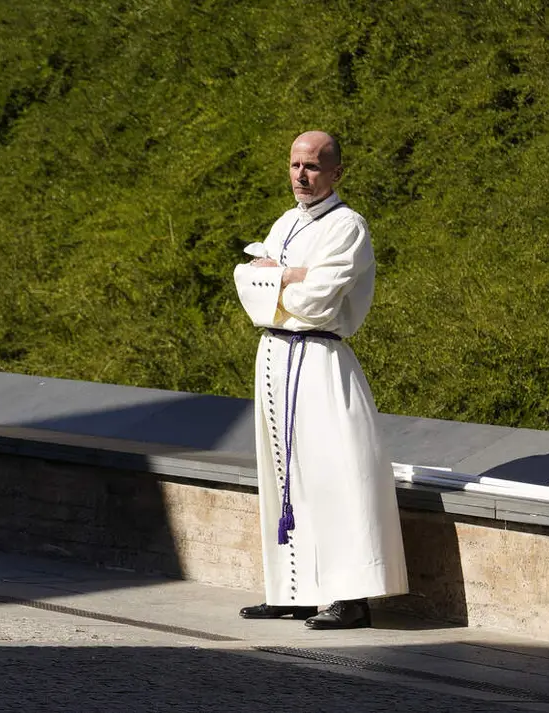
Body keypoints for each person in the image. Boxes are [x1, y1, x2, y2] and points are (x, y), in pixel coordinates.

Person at [232, 131, 408, 630]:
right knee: (286, 476)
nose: (301, 176)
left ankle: (350, 597)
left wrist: (275, 278)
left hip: (320, 360)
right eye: (294, 165)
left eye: (312, 166)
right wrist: (291, 275)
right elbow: (245, 283)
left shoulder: (348, 226)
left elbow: (319, 302)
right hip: (275, 358)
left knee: (335, 475)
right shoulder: (286, 221)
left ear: (336, 172)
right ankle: (296, 592)